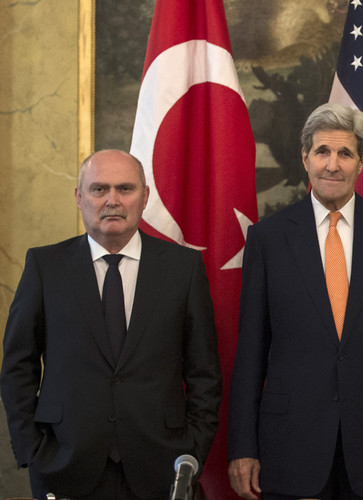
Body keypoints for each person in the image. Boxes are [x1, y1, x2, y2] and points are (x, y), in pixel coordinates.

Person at [227, 103, 363, 499]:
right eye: (322, 152)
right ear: (305, 158)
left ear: (360, 162)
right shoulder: (268, 239)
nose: (332, 165)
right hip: (290, 445)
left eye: (345, 154)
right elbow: (251, 351)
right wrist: (243, 447)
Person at [0, 149, 222, 499]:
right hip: (63, 465)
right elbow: (17, 365)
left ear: (145, 196)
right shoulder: (45, 266)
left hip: (162, 465)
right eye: (99, 189)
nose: (112, 201)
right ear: (79, 197)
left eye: (125, 189)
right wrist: (32, 449)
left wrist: (192, 450)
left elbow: (204, 371)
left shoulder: (183, 268)